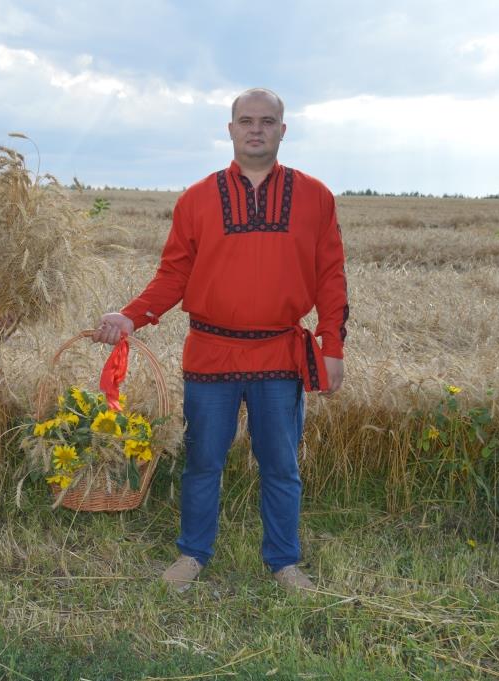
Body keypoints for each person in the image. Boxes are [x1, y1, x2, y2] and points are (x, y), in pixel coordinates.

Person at [93, 88, 348, 593]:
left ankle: (283, 562)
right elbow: (173, 276)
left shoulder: (316, 196)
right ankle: (192, 555)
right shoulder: (197, 198)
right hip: (211, 351)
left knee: (280, 464)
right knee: (203, 461)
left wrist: (332, 347)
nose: (257, 129)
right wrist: (129, 316)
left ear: (282, 130)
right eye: (246, 120)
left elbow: (331, 275)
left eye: (268, 121)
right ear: (230, 129)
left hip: (280, 351)